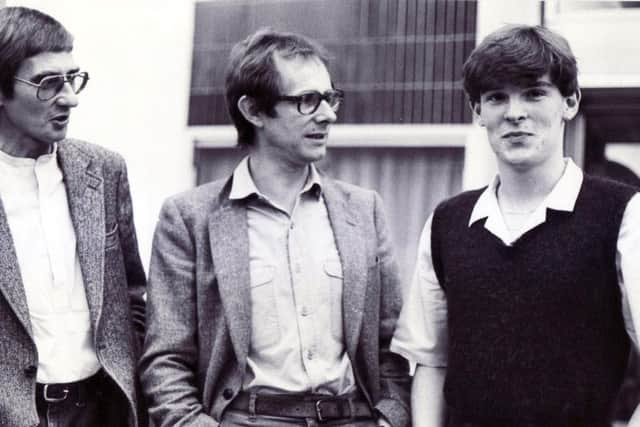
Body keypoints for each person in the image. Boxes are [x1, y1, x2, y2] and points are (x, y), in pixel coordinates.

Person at [140, 28, 410, 427]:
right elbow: (166, 357)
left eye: (330, 97)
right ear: (253, 111)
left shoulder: (363, 209)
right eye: (307, 100)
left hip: (353, 417)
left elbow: (392, 344)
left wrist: (390, 418)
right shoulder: (189, 217)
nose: (328, 114)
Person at [391, 24, 640, 427]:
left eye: (534, 93)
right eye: (496, 98)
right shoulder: (447, 222)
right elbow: (430, 362)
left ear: (570, 101)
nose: (514, 113)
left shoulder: (623, 213)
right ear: (478, 112)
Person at [0, 7, 146, 427]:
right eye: (48, 83)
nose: (70, 97)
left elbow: (133, 293)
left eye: (72, 78)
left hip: (103, 407)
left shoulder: (103, 169)